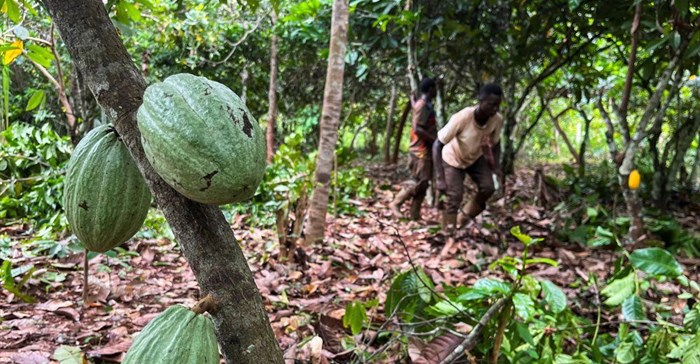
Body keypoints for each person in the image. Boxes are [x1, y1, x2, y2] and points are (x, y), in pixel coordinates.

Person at [433, 83, 503, 234]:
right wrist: (440, 178)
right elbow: (437, 145)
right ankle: (448, 232)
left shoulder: (496, 120)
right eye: (491, 105)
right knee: (454, 195)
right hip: (453, 158)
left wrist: (496, 167)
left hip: (475, 158)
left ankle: (462, 218)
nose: (494, 109)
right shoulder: (463, 117)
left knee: (488, 187)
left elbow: (496, 144)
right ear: (480, 100)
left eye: (497, 105)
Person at [390, 77, 438, 220]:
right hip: (420, 150)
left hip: (426, 150)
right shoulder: (423, 105)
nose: (436, 91)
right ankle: (396, 203)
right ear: (430, 89)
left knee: (424, 183)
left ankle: (415, 214)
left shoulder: (425, 104)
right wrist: (435, 140)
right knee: (419, 181)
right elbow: (417, 129)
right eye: (435, 88)